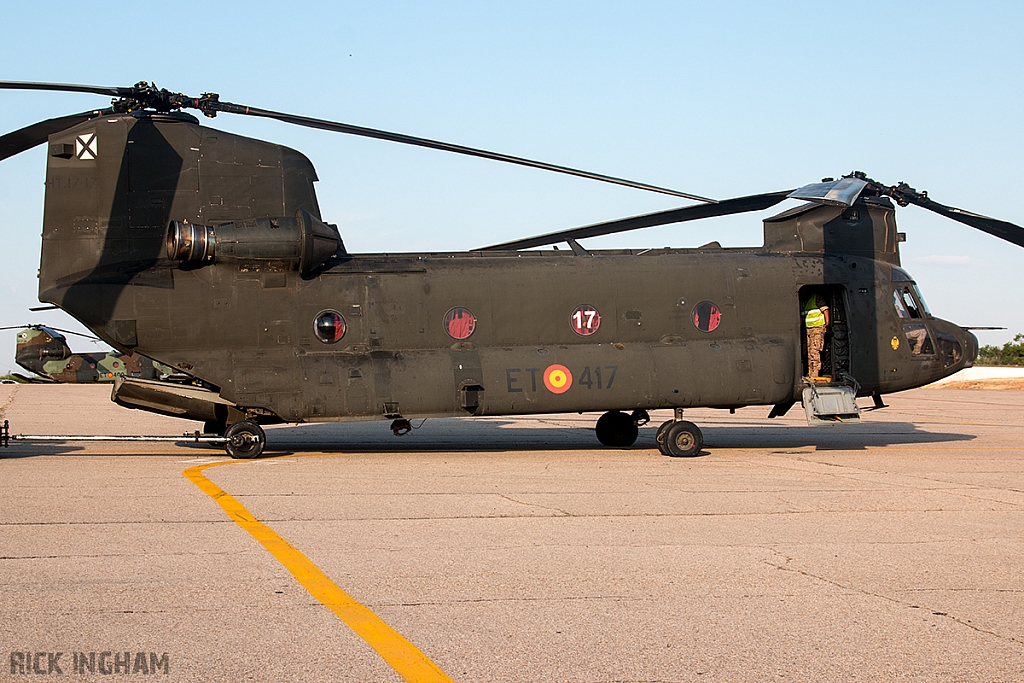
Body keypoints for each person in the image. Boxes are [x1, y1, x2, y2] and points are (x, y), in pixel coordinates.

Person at [801, 291, 830, 378]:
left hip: (818, 328)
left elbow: (825, 310)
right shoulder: (803, 302)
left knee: (815, 351)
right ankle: (811, 373)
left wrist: (827, 324)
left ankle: (815, 373)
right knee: (809, 352)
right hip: (808, 329)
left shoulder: (816, 298)